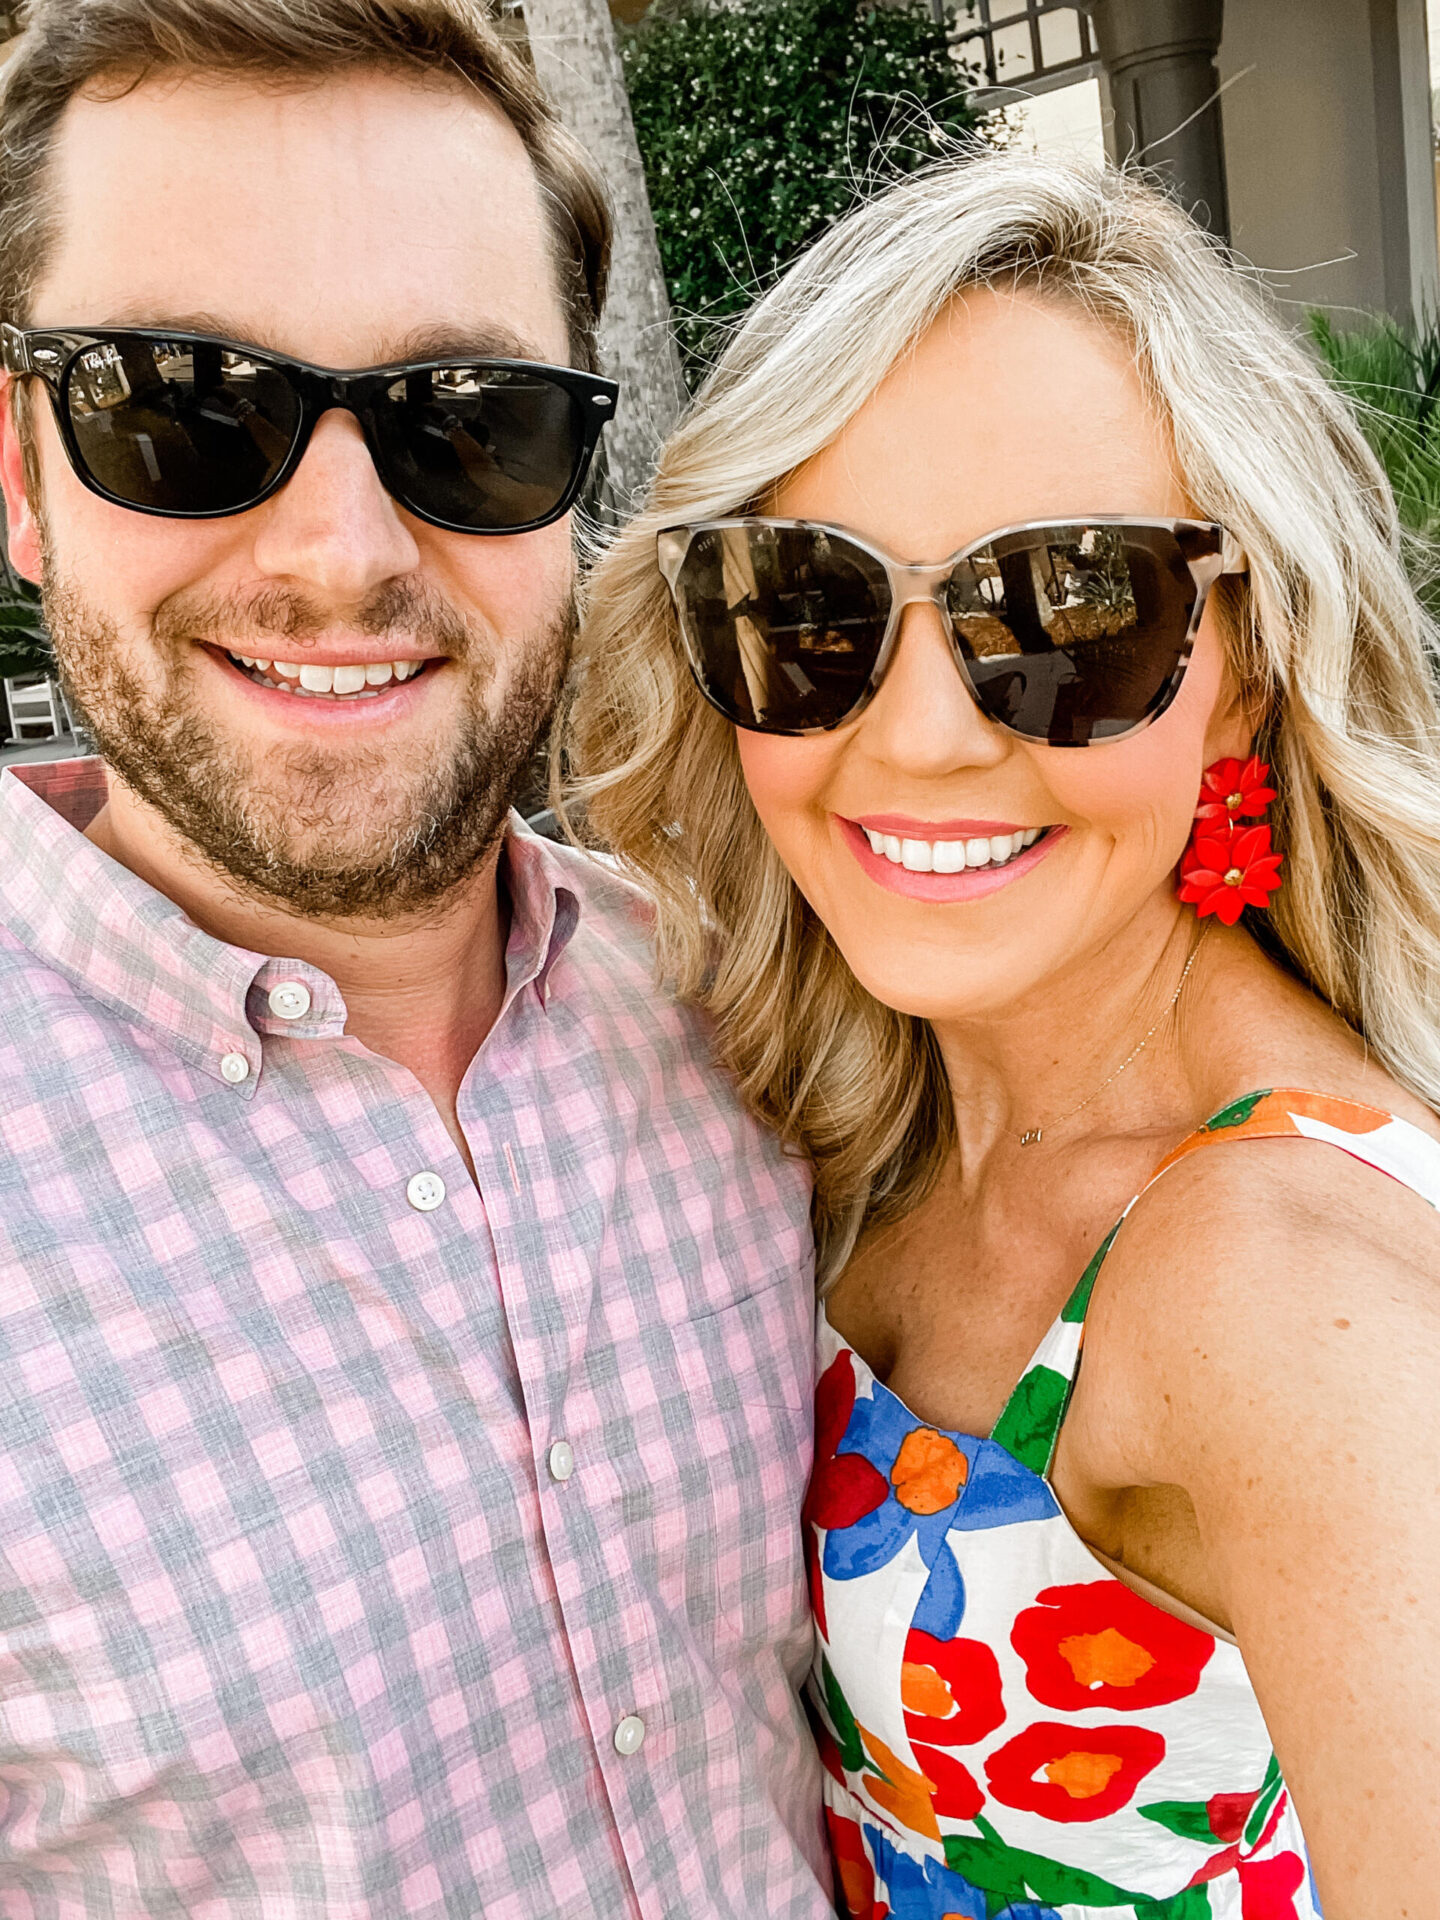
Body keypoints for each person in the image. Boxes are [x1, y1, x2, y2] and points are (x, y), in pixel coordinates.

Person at [0, 2, 833, 1912]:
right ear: (24, 471)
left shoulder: (754, 1020)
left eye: (472, 421)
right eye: (183, 403)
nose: (339, 547)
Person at [564, 154, 1440, 1917]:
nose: (924, 742)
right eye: (806, 608)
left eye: (1065, 610)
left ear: (1248, 664)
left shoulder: (1277, 1286)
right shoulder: (850, 1101)